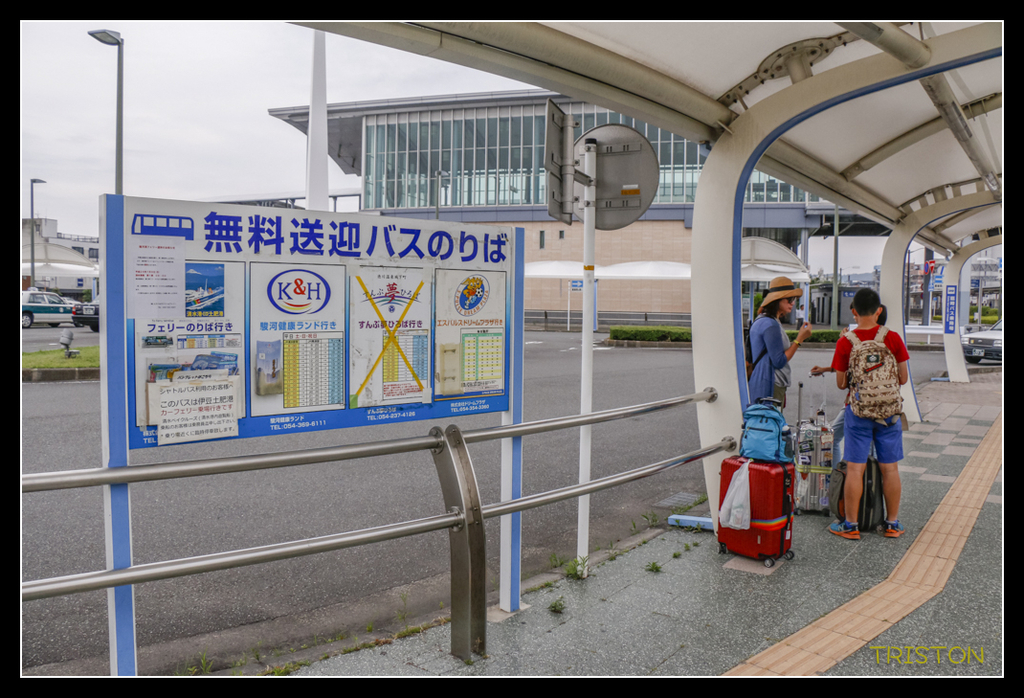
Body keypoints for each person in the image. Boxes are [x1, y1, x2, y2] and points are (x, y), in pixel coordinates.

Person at [820, 290, 909, 540]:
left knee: (855, 469)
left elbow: (840, 384)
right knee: (890, 469)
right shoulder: (892, 338)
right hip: (889, 414)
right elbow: (902, 378)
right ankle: (892, 524)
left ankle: (850, 526)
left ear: (854, 311)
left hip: (858, 412)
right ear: (879, 310)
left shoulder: (846, 341)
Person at [748, 276, 813, 407]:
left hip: (762, 381)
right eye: (789, 299)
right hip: (771, 384)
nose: (793, 303)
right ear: (777, 300)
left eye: (794, 299)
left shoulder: (762, 319)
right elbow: (779, 361)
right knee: (770, 424)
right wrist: (799, 339)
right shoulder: (771, 324)